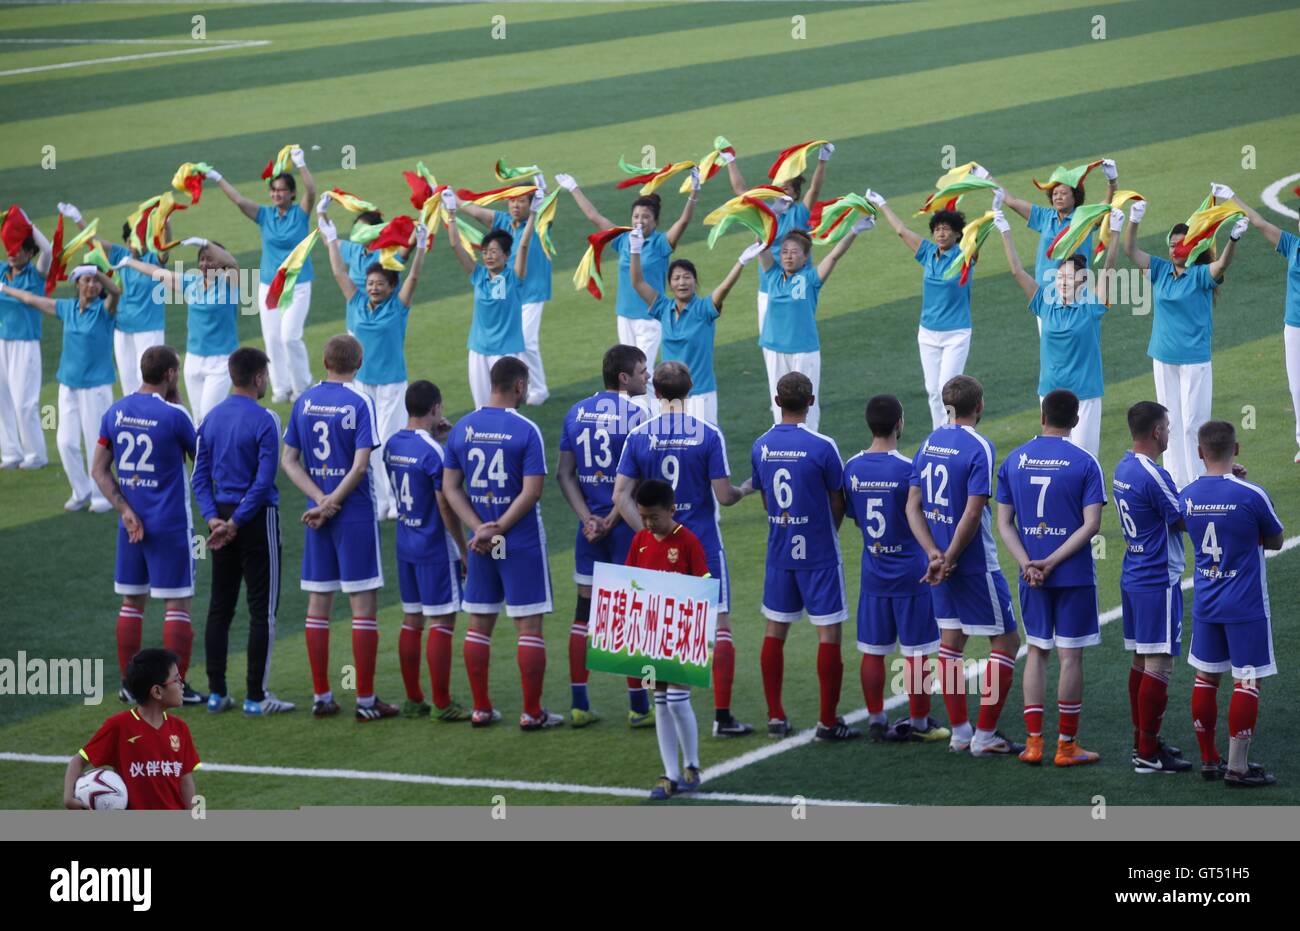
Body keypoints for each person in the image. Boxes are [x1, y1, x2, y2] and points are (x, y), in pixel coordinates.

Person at [614, 360, 756, 737]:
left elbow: (620, 495)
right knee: (719, 625)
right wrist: (745, 489)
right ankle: (722, 717)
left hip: (658, 550)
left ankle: (659, 706)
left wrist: (648, 533)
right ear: (690, 391)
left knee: (661, 630)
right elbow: (724, 497)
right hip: (702, 545)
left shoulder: (639, 436)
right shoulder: (708, 434)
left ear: (656, 393)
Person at [905, 374, 1023, 757]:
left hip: (938, 563)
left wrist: (933, 555)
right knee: (1006, 641)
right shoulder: (980, 447)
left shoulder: (928, 442)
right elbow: (973, 512)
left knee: (951, 643)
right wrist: (951, 558)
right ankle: (985, 736)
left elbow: (913, 505)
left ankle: (959, 732)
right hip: (971, 565)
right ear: (980, 406)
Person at [281, 334, 395, 721]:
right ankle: (365, 701)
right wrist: (334, 503)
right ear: (358, 362)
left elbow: (290, 461)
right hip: (355, 512)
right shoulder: (361, 400)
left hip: (317, 514)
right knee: (362, 607)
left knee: (319, 605)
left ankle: (322, 695)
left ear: (324, 360)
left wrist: (319, 499)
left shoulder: (304, 400)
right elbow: (361, 465)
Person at [441, 357, 558, 730]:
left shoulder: (462, 427)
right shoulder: (526, 430)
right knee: (528, 626)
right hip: (517, 539)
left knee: (479, 622)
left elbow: (449, 487)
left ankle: (480, 708)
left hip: (480, 543)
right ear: (520, 387)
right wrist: (499, 529)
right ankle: (532, 712)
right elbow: (532, 492)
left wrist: (478, 529)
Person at [995, 390, 1106, 767]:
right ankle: (1066, 746)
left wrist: (1029, 563)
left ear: (1042, 415)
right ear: (1076, 421)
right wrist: (1052, 561)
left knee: (1037, 652)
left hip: (1031, 579)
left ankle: (1033, 744)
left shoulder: (1014, 460)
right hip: (1071, 575)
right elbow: (1092, 525)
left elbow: (1003, 523)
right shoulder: (1085, 462)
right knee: (1070, 656)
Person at [91, 345, 204, 705]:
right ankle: (177, 690)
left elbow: (98, 469)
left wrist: (124, 508)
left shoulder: (116, 411)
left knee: (131, 602)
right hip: (170, 523)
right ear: (171, 374)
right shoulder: (174, 416)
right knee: (177, 605)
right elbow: (201, 459)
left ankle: (130, 685)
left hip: (131, 524)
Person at [751, 373, 857, 741]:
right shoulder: (823, 446)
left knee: (775, 630)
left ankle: (775, 716)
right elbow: (837, 499)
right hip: (819, 554)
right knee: (828, 634)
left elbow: (766, 498)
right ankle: (828, 721)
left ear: (777, 402)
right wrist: (828, 530)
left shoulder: (761, 445)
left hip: (780, 552)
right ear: (811, 402)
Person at [191, 346, 294, 716]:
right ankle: (256, 696)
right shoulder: (266, 419)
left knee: (220, 607)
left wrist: (213, 519)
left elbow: (199, 476)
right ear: (259, 378)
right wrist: (237, 522)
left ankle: (217, 693)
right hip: (255, 520)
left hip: (221, 517)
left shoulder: (211, 418)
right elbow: (265, 480)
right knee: (261, 610)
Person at [1181, 421, 1283, 788]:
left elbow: (1184, 522)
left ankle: (1209, 759)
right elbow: (1274, 541)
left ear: (1198, 452)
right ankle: (1237, 767)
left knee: (1205, 677)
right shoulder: (1252, 494)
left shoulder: (1187, 494)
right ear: (1236, 449)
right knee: (1247, 680)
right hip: (1246, 604)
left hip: (1207, 602)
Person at [842, 394, 949, 744]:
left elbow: (856, 517)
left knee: (873, 649)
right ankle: (919, 723)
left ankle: (876, 719)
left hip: (874, 571)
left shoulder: (852, 467)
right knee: (916, 651)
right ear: (899, 424)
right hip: (912, 573)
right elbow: (920, 518)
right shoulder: (908, 469)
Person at [556, 344, 654, 727]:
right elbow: (639, 478)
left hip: (589, 532)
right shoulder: (637, 414)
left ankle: (579, 704)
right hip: (625, 528)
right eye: (643, 371)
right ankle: (639, 706)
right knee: (631, 615)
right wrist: (613, 519)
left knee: (584, 614)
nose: (648, 377)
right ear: (624, 378)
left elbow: (564, 473)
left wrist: (588, 519)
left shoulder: (575, 412)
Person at [1124, 197, 1243, 489]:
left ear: (1193, 246)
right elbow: (1130, 250)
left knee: (1193, 424)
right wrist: (1135, 220)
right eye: (1171, 245)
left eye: (1181, 244)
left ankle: (1198, 482)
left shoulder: (1201, 275)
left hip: (1194, 358)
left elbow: (1222, 263)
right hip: (1163, 356)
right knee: (1168, 424)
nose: (1175, 249)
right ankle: (1176, 483)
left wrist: (1233, 238)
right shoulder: (1161, 270)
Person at [321, 215, 430, 520]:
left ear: (391, 286)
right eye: (370, 283)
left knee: (387, 442)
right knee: (367, 446)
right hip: (362, 385)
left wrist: (419, 247)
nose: (374, 288)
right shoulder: (355, 303)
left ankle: (396, 500)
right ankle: (381, 501)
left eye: (380, 284)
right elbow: (338, 272)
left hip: (393, 384)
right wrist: (331, 240)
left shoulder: (398, 306)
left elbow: (414, 279)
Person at [995, 198, 1118, 458]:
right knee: (1053, 459)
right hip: (1050, 394)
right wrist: (1005, 232)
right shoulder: (1044, 304)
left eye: (1069, 277)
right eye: (1059, 277)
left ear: (1082, 280)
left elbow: (1108, 268)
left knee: (1084, 458)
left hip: (1084, 395)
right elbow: (1017, 272)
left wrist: (1115, 231)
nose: (1062, 281)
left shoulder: (1091, 307)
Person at [382, 380, 472, 722]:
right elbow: (446, 504)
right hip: (435, 546)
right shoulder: (433, 452)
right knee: (443, 621)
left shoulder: (392, 444)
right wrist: (463, 549)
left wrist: (436, 437)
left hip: (406, 542)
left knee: (412, 620)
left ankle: (414, 698)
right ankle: (443, 702)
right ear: (435, 408)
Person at [0, 264, 120, 512]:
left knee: (95, 443)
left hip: (95, 390)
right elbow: (32, 299)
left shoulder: (104, 311)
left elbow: (116, 292)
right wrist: (4, 289)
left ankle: (101, 495)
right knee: (65, 442)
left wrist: (98, 273)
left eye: (95, 282)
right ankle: (81, 490)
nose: (92, 285)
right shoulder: (67, 308)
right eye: (86, 280)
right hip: (68, 386)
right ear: (77, 284)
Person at [1113, 401, 1191, 774]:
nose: (1170, 432)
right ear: (1157, 431)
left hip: (1134, 574)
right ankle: (1146, 753)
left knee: (1142, 661)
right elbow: (1180, 519)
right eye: (1167, 426)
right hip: (1158, 578)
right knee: (1160, 663)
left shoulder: (1123, 467)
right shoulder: (1153, 474)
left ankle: (1143, 742)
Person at [208, 153, 317, 401]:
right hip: (269, 286)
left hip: (297, 285)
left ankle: (303, 386)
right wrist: (217, 177)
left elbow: (311, 190)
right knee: (273, 338)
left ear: (291, 193)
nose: (277, 194)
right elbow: (238, 199)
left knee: (290, 336)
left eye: (282, 190)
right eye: (274, 190)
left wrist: (300, 162)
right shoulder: (265, 215)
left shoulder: (300, 214)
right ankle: (281, 388)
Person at [554, 175, 697, 363]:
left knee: (644, 371)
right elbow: (594, 217)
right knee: (630, 372)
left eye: (646, 217)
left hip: (650, 319)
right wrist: (573, 187)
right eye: (636, 216)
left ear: (655, 221)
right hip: (624, 316)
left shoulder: (661, 243)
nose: (640, 221)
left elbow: (684, 221)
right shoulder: (623, 239)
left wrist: (695, 192)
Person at [868, 190, 980, 429]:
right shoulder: (928, 253)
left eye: (947, 228)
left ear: (958, 233)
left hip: (956, 334)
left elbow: (977, 236)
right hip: (928, 333)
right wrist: (882, 203)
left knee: (946, 388)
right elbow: (901, 231)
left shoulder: (964, 256)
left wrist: (995, 209)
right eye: (937, 228)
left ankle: (951, 432)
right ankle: (938, 432)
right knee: (932, 389)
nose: (941, 233)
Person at [626, 479, 709, 800]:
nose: (648, 524)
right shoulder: (640, 541)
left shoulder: (687, 541)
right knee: (659, 701)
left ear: (672, 510)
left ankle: (692, 765)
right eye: (644, 517)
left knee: (676, 700)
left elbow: (703, 585)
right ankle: (670, 774)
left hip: (681, 631)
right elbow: (629, 582)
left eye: (654, 518)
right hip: (651, 632)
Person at [754, 220, 871, 431]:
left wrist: (853, 231)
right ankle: (781, 440)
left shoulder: (810, 278)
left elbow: (834, 256)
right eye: (785, 252)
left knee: (807, 401)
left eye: (794, 252)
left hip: (804, 349)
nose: (788, 256)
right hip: (774, 348)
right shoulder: (772, 275)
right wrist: (763, 217)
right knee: (778, 399)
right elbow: (760, 243)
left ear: (805, 257)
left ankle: (809, 439)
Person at [628, 230, 754, 425]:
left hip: (700, 394)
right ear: (670, 284)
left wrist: (741, 262)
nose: (682, 282)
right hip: (669, 396)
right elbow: (637, 283)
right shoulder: (663, 308)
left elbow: (724, 288)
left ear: (695, 282)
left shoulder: (704, 309)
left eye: (687, 277)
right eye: (676, 278)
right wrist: (635, 249)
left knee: (704, 449)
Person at [1214, 183, 1300, 462]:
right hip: (1294, 325)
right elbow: (1260, 222)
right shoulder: (1293, 244)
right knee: (1296, 385)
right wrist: (1232, 197)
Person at [116, 237, 241, 422]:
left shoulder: (231, 283)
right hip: (193, 361)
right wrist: (129, 262)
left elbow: (231, 262)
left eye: (210, 259)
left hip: (221, 362)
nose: (205, 264)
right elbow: (156, 273)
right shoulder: (192, 283)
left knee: (208, 417)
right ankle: (202, 451)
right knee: (199, 418)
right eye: (202, 259)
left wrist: (205, 243)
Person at [56, 201, 169, 396]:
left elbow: (165, 247)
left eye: (140, 240)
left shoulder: (153, 259)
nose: (135, 244)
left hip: (149, 329)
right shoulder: (120, 255)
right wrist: (77, 218)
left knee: (150, 380)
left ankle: (151, 422)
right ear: (126, 241)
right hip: (122, 328)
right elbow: (93, 240)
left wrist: (165, 220)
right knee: (128, 380)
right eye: (131, 240)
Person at [63, 649, 200, 810]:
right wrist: (68, 798)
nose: (182, 685)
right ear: (157, 691)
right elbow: (78, 760)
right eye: (176, 680)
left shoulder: (180, 729)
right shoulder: (119, 726)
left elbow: (186, 782)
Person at [443, 188, 542, 409]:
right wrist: (451, 212)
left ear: (506, 256)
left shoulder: (514, 277)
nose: (488, 255)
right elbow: (455, 245)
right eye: (485, 251)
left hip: (506, 351)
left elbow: (523, 245)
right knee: (481, 406)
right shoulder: (478, 275)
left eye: (494, 251)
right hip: (478, 350)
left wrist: (534, 214)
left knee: (504, 405)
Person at [723, 140, 832, 334]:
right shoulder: (765, 214)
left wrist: (823, 160)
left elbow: (814, 189)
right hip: (769, 284)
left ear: (796, 193)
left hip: (798, 284)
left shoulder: (800, 214)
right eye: (778, 187)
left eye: (787, 188)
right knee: (769, 339)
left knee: (796, 334)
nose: (782, 192)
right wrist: (730, 160)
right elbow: (741, 191)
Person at [985, 159, 1117, 288]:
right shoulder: (1044, 217)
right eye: (1055, 193)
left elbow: (1107, 205)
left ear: (1075, 196)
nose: (1058, 197)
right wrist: (985, 177)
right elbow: (1011, 200)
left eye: (1064, 193)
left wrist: (1112, 182)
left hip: (1076, 292)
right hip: (1045, 292)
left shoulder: (1084, 217)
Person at [0, 206, 53, 470]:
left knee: (24, 403)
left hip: (25, 344)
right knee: (2, 399)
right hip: (2, 342)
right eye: (10, 247)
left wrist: (28, 224)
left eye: (19, 248)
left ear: (29, 252)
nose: (13, 253)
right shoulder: (1, 271)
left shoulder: (36, 274)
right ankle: (10, 452)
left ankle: (36, 454)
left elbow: (49, 251)